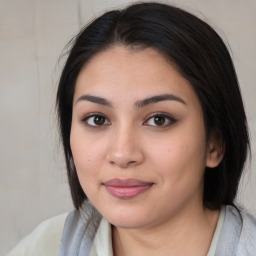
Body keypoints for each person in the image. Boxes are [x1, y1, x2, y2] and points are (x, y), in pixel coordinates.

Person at [8, 2, 256, 256]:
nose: (122, 154)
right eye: (97, 119)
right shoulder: (44, 247)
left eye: (159, 119)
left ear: (215, 143)